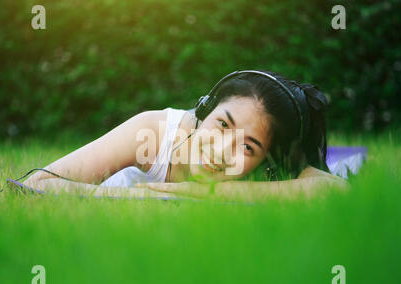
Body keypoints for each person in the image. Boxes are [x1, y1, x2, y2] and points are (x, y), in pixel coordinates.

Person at [23, 70, 347, 200]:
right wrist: (144, 197)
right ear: (205, 111)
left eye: (248, 147)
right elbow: (34, 186)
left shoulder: (268, 172)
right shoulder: (152, 132)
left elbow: (336, 192)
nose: (221, 151)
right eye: (222, 125)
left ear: (267, 159)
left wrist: (200, 195)